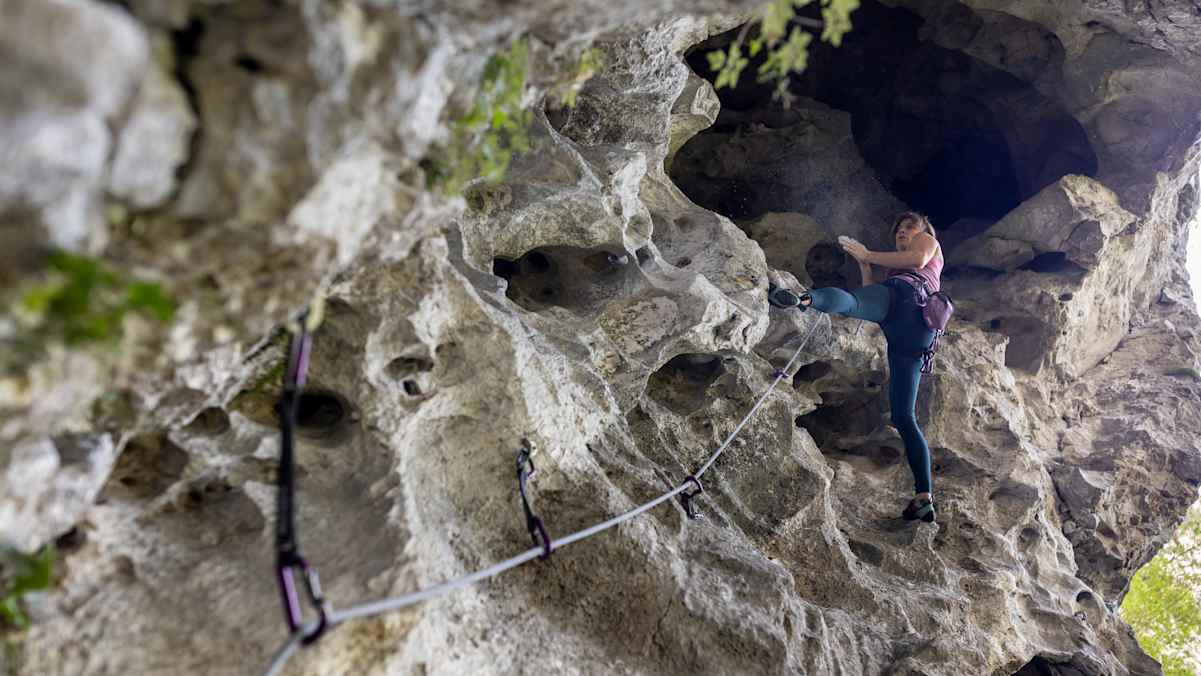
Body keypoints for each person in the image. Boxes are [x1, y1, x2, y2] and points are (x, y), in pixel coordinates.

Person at [768, 212, 943, 523]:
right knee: (904, 416)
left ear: (923, 229)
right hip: (915, 335)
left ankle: (803, 300)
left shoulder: (927, 241)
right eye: (899, 229)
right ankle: (924, 496)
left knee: (849, 302)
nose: (903, 231)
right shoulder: (897, 269)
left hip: (909, 298)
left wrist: (868, 254)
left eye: (909, 226)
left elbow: (917, 260)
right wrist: (864, 266)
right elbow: (872, 295)